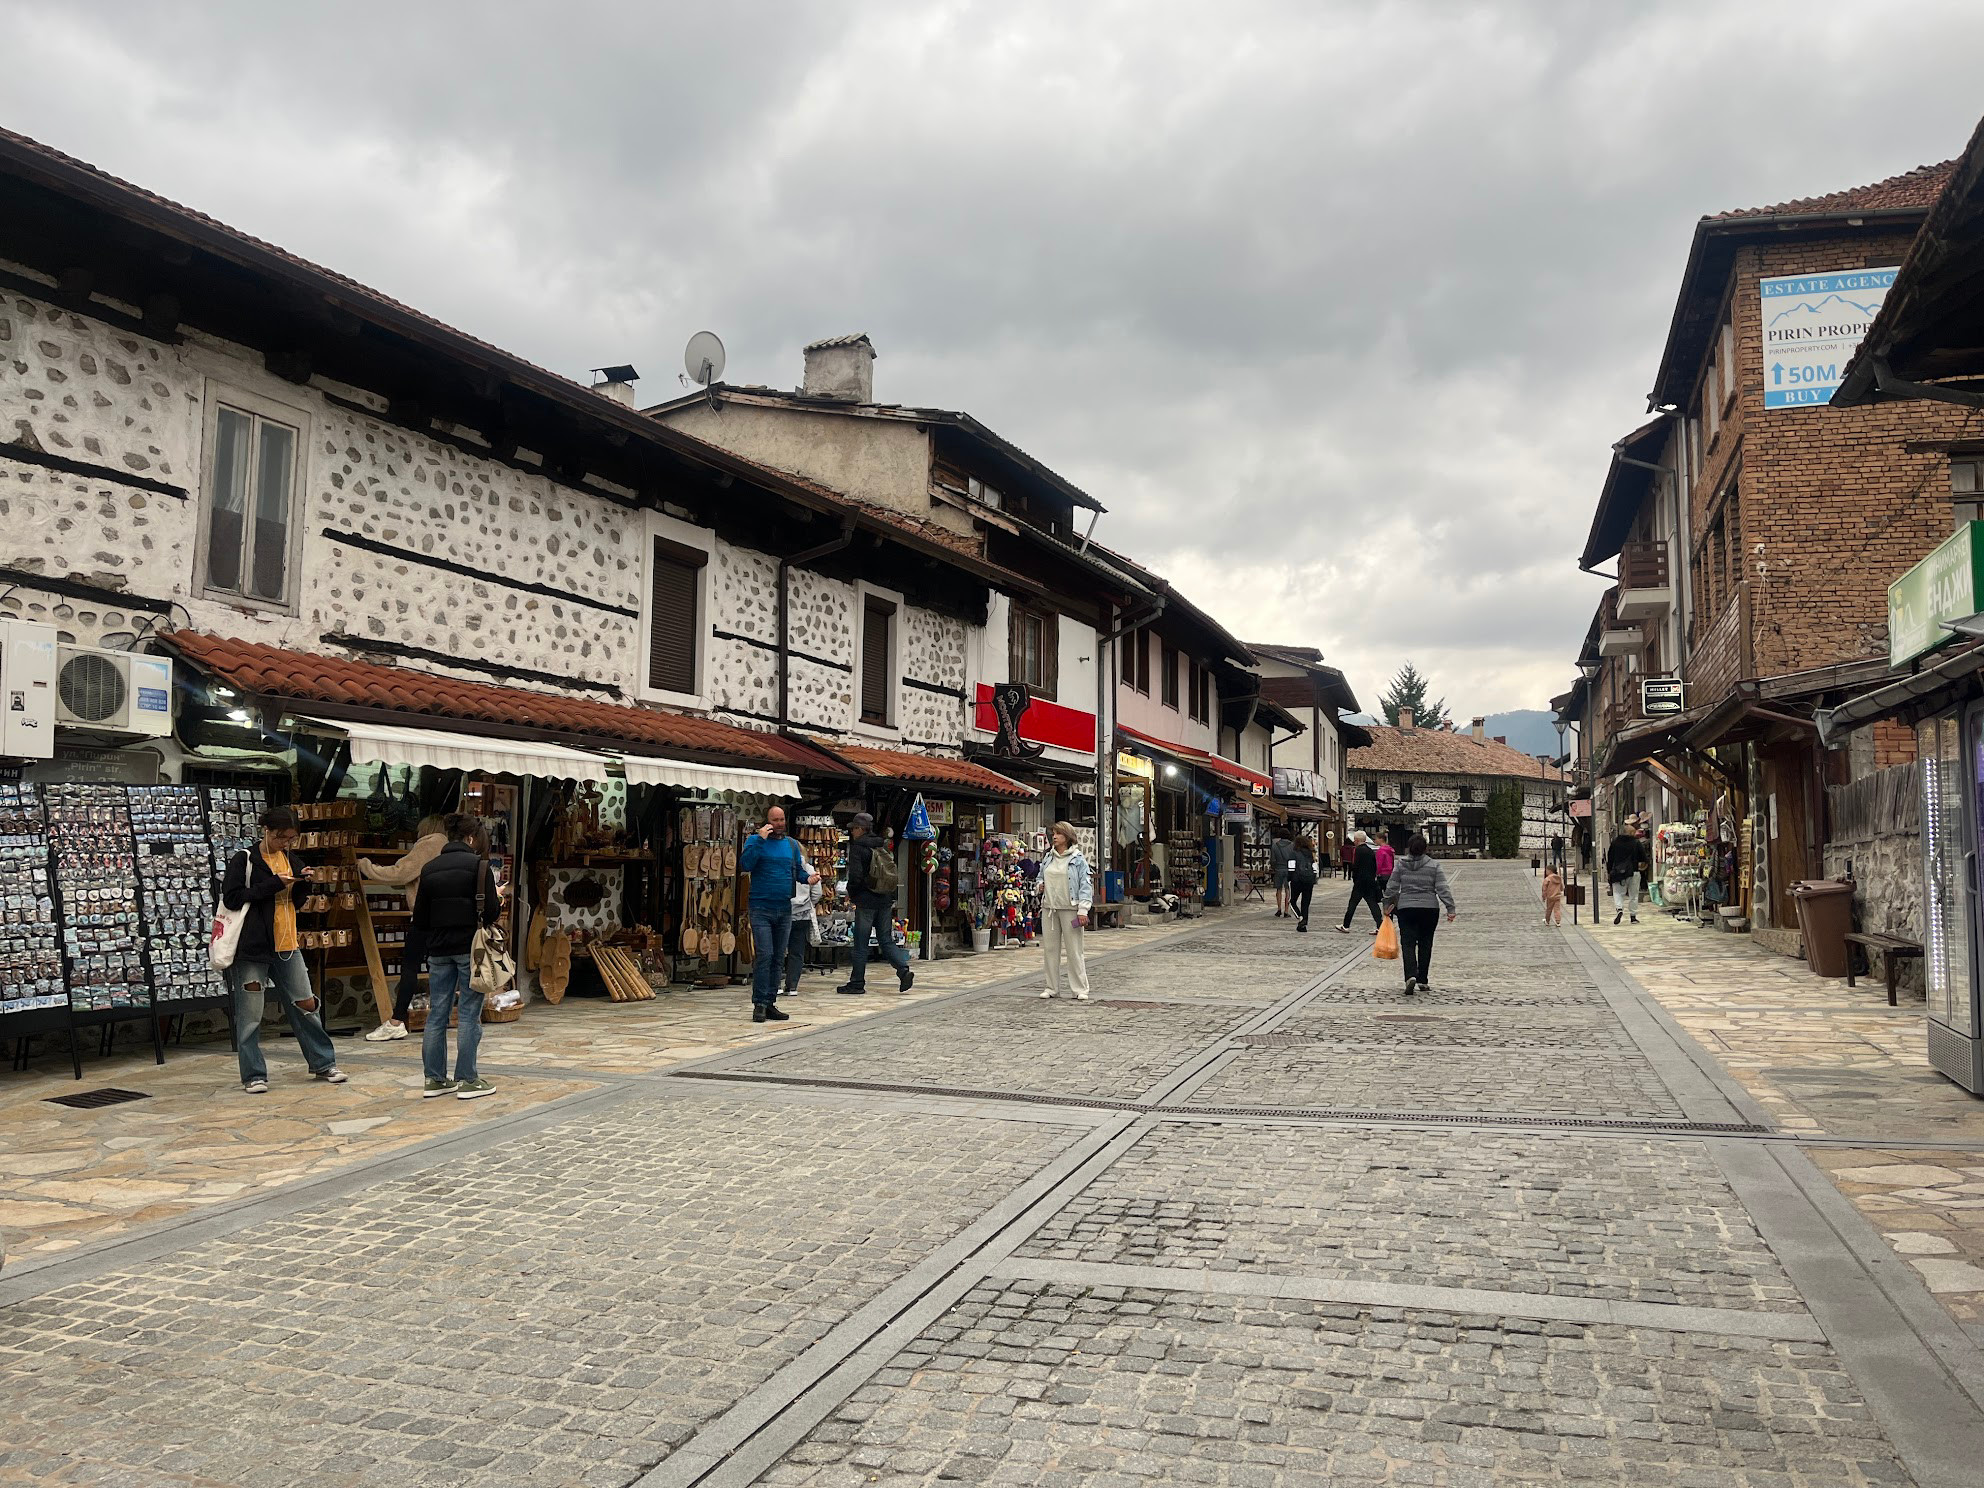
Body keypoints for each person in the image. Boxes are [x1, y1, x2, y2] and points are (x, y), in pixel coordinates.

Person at [222, 806, 346, 1095]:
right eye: (281, 838)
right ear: (266, 831)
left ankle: (324, 1062)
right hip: (252, 947)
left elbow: (297, 902)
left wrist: (304, 882)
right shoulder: (246, 858)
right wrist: (273, 884)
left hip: (288, 943)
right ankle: (253, 1074)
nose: (286, 844)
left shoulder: (290, 858)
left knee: (306, 1003)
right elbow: (232, 897)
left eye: (291, 839)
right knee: (251, 1012)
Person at [413, 813, 504, 1098]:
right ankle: (467, 1079)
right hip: (470, 950)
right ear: (472, 838)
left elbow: (421, 917)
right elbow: (491, 913)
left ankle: (435, 1079)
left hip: (438, 950)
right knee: (468, 1013)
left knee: (437, 1013)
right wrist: (497, 897)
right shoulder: (479, 867)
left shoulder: (429, 869)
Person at [357, 814, 449, 1042]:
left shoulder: (428, 845)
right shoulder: (447, 846)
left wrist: (365, 865)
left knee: (410, 967)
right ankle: (442, 1016)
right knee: (442, 968)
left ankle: (397, 1021)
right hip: (446, 917)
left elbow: (400, 872)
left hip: (424, 917)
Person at [740, 804, 813, 1023]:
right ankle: (759, 1004)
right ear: (767, 821)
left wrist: (807, 878)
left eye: (781, 820)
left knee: (778, 958)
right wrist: (760, 840)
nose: (779, 824)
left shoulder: (791, 845)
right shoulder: (755, 841)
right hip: (761, 907)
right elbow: (745, 864)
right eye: (775, 820)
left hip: (784, 908)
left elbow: (798, 870)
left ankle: (771, 1001)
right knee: (765, 955)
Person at [838, 812, 915, 996]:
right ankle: (903, 970)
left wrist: (852, 893)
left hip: (866, 900)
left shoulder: (858, 848)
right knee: (885, 939)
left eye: (853, 828)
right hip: (884, 899)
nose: (852, 832)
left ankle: (857, 982)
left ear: (860, 829)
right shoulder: (881, 845)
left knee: (861, 944)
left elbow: (856, 876)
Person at [1383, 832, 1458, 994]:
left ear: (1409, 848)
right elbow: (1442, 888)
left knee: (1408, 943)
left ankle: (1410, 975)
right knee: (1425, 943)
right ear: (1425, 849)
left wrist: (1387, 903)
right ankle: (1423, 979)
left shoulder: (1401, 865)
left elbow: (1392, 886)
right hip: (1429, 909)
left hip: (1406, 908)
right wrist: (1450, 908)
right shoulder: (1434, 865)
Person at [1038, 821, 1094, 999]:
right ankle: (1051, 987)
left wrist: (1083, 910)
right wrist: (1040, 885)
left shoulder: (1078, 860)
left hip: (1071, 908)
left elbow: (1085, 885)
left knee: (1074, 950)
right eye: (1053, 833)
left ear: (1067, 837)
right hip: (1050, 908)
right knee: (1050, 950)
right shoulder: (1048, 857)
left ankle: (1080, 989)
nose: (1054, 837)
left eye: (1058, 834)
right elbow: (1040, 876)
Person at [784, 845, 824, 999]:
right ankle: (792, 985)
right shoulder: (808, 868)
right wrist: (808, 904)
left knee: (778, 950)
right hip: (802, 914)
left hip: (783, 911)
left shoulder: (782, 866)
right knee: (797, 951)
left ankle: (774, 983)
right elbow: (817, 892)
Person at [1337, 830, 1383, 934]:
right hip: (1370, 881)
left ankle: (1346, 925)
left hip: (1360, 882)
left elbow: (1355, 866)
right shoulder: (1370, 850)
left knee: (1352, 904)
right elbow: (1374, 866)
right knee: (1373, 904)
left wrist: (1355, 878)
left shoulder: (1357, 851)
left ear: (1357, 840)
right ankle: (1380, 925)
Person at [1606, 819, 1644, 925]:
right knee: (1633, 895)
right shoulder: (1636, 843)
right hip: (1634, 871)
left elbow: (1610, 858)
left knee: (1618, 892)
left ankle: (1619, 909)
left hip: (1618, 872)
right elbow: (1643, 857)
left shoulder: (1615, 842)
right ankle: (1633, 916)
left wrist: (1609, 871)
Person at [1287, 835, 1319, 931]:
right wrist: (1313, 879)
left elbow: (1291, 868)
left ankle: (1300, 917)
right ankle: (1303, 924)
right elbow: (1315, 868)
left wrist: (1289, 879)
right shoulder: (1310, 853)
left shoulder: (1293, 853)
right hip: (1309, 880)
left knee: (1292, 902)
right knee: (1305, 903)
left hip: (1297, 880)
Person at [1269, 828, 1294, 917]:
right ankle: (1286, 910)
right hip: (1288, 870)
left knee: (1278, 889)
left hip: (1278, 869)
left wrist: (1274, 867)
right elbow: (1294, 858)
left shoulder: (1275, 846)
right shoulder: (1292, 845)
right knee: (1288, 890)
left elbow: (1272, 859)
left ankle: (1279, 909)